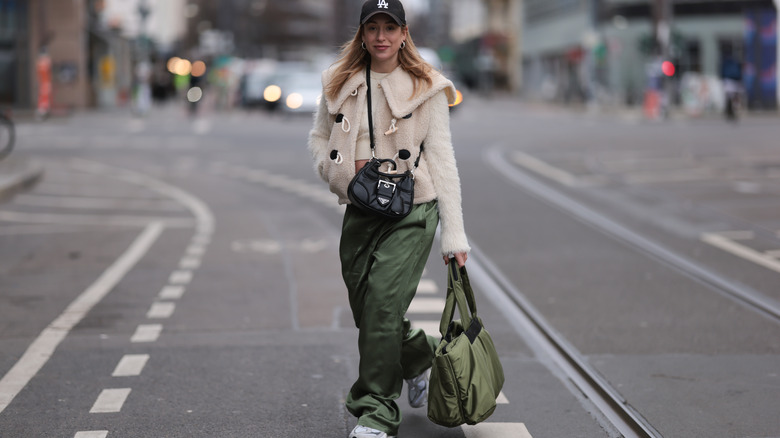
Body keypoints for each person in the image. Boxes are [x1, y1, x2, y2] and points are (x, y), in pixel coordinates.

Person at [307, 1, 469, 437]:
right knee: (369, 311)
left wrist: (453, 234)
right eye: (372, 27)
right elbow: (320, 135)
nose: (381, 36)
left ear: (404, 33)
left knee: (381, 303)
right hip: (361, 208)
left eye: (390, 27)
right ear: (362, 33)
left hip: (413, 209)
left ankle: (375, 411)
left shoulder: (427, 86)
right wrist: (330, 168)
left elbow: (442, 159)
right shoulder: (337, 81)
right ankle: (420, 358)